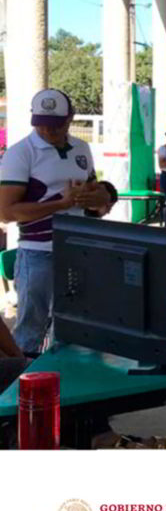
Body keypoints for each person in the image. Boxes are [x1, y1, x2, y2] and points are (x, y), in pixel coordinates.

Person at [0, 89, 115, 355]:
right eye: (41, 123)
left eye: (55, 124)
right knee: (31, 330)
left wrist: (97, 198)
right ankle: (24, 377)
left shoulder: (81, 148)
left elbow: (91, 192)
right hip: (38, 253)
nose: (47, 130)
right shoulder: (20, 153)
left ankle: (65, 376)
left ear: (70, 118)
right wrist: (61, 204)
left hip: (79, 249)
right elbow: (5, 212)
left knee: (74, 327)